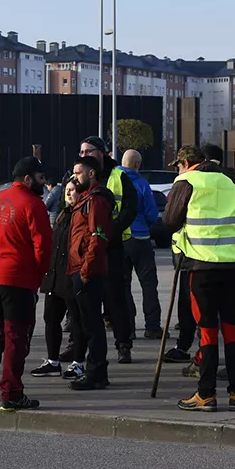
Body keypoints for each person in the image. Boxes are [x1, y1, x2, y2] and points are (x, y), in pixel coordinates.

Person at [162, 145, 235, 412]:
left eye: (178, 165)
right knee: (233, 329)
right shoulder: (226, 180)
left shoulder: (186, 181)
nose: (178, 170)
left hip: (201, 266)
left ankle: (206, 393)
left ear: (186, 162)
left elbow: (170, 221)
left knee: (208, 330)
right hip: (233, 264)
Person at [0, 157, 53, 409]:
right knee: (16, 337)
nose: (43, 183)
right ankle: (12, 393)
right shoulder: (33, 204)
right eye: (40, 178)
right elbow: (44, 244)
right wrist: (40, 274)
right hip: (17, 279)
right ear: (27, 179)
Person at [78, 137, 138, 363]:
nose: (84, 155)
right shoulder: (77, 175)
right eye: (81, 151)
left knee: (115, 298)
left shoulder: (119, 176)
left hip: (111, 246)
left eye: (88, 151)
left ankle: (123, 344)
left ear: (101, 153)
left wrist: (112, 230)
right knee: (83, 300)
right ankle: (79, 346)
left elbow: (130, 209)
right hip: (85, 247)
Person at [63, 155, 115, 392]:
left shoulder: (95, 201)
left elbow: (98, 237)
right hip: (78, 269)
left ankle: (96, 373)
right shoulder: (83, 200)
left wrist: (85, 270)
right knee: (86, 323)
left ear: (91, 173)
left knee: (93, 325)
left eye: (79, 172)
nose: (75, 177)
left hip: (88, 272)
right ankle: (95, 371)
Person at [31, 179, 86, 381]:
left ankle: (78, 363)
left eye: (73, 191)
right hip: (55, 276)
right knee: (51, 319)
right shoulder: (64, 214)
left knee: (76, 321)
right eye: (67, 191)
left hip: (72, 275)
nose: (69, 194)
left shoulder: (83, 214)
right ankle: (52, 361)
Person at [120, 149, 163, 339]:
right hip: (141, 239)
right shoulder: (142, 184)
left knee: (123, 285)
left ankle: (127, 326)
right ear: (137, 164)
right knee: (148, 284)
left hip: (120, 239)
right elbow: (152, 215)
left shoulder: (114, 182)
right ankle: (152, 326)